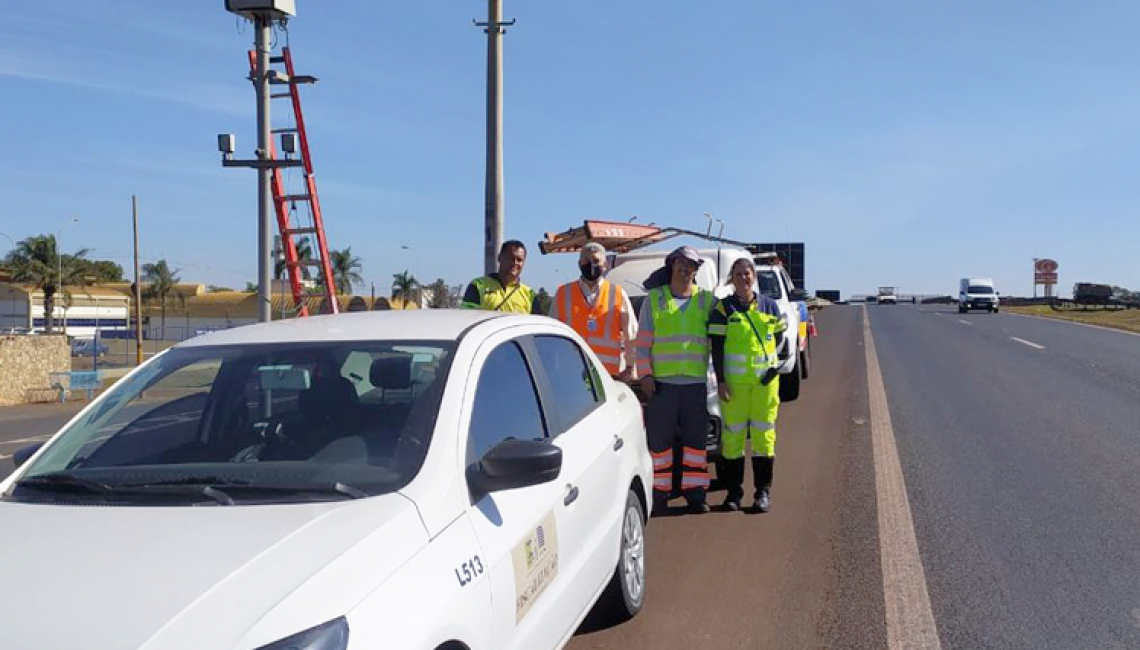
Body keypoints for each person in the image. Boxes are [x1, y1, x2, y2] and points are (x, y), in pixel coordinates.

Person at [634, 246, 715, 514]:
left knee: (695, 444)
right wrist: (644, 375)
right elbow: (642, 343)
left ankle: (695, 494)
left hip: (694, 385)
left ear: (696, 270)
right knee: (659, 445)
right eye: (680, 263)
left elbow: (720, 339)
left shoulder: (706, 301)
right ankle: (658, 495)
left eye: (690, 265)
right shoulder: (654, 300)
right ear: (671, 266)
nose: (685, 269)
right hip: (662, 387)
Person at [708, 258, 787, 513]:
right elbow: (717, 349)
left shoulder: (770, 306)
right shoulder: (723, 309)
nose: (744, 278)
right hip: (735, 387)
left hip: (765, 386)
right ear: (732, 278)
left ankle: (762, 493)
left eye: (748, 273)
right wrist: (720, 381)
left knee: (764, 438)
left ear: (754, 276)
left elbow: (778, 337)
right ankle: (733, 494)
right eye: (739, 274)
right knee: (733, 439)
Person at [550, 241, 638, 380]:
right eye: (586, 260)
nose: (591, 264)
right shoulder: (563, 293)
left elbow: (631, 335)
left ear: (605, 265)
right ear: (579, 264)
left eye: (596, 260)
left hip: (607, 375)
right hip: (571, 373)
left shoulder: (618, 294)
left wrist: (630, 367)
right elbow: (551, 335)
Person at [460, 240, 540, 314]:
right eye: (510, 258)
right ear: (499, 258)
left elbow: (537, 325)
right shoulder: (478, 285)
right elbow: (467, 316)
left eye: (519, 260)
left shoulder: (529, 294)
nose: (514, 263)